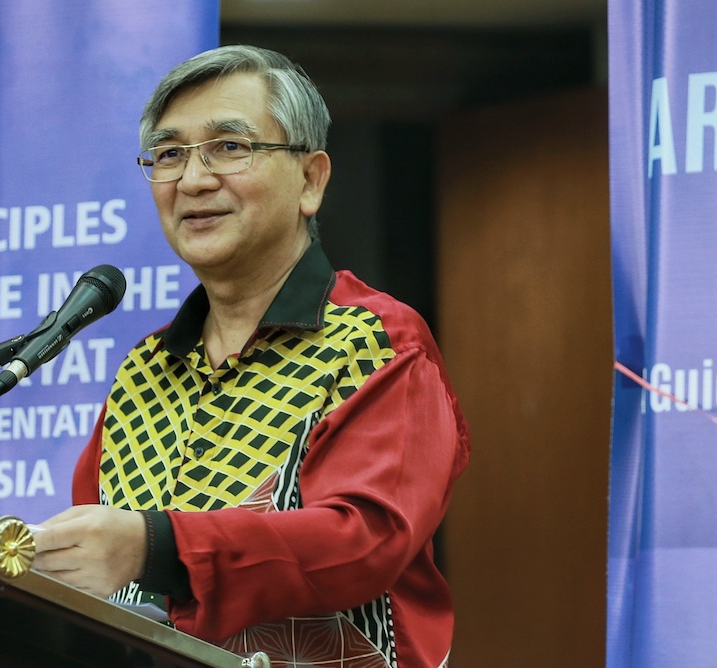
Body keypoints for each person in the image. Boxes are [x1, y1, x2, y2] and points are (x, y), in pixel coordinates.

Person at [31, 44, 470, 668]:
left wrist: (155, 546)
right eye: (170, 154)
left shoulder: (376, 340)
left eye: (229, 148)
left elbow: (364, 541)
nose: (192, 179)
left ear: (311, 180)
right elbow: (90, 580)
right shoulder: (144, 370)